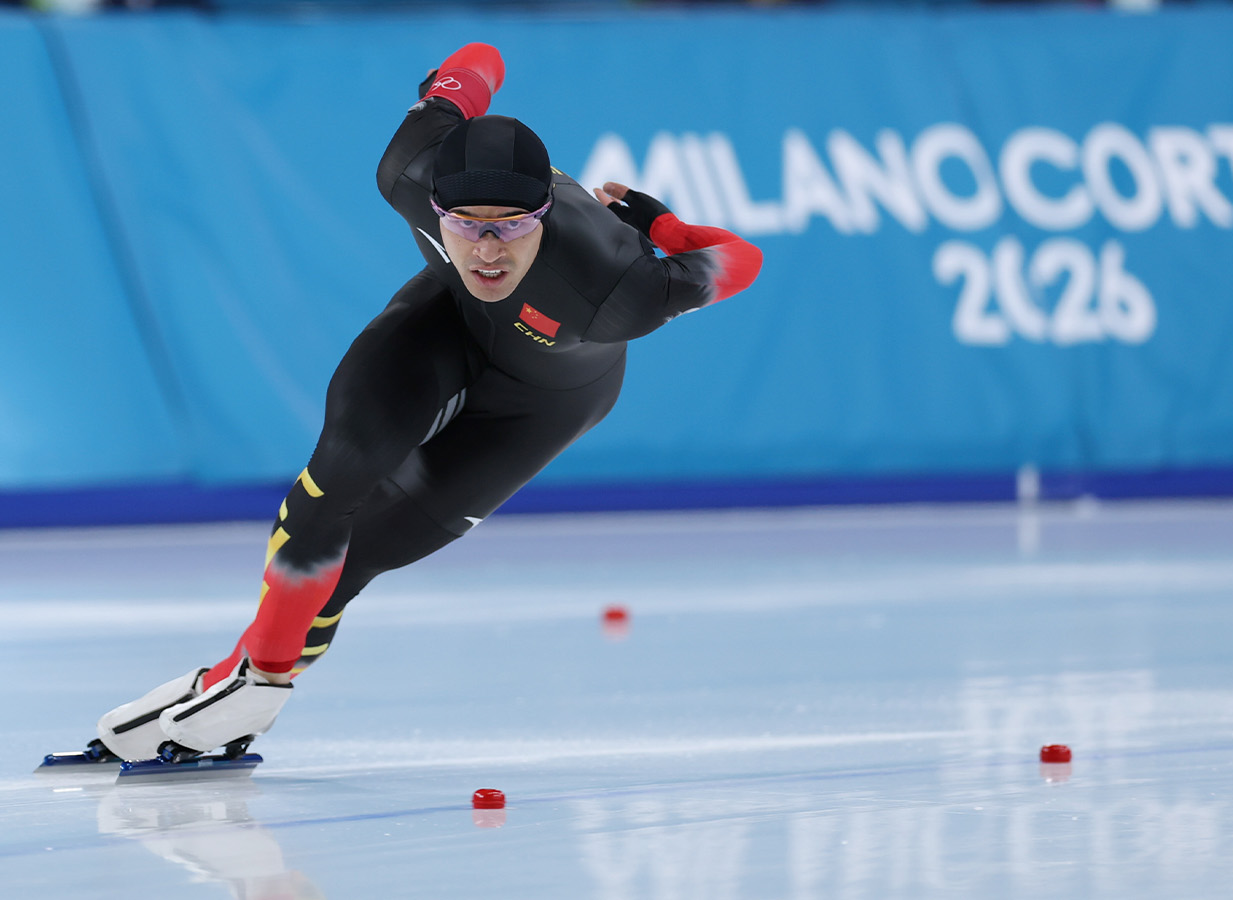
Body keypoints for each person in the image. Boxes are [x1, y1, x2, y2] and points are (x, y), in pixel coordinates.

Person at [90, 43, 763, 762]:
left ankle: (240, 682)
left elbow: (742, 258)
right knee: (339, 476)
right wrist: (464, 80)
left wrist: (659, 229)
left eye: (512, 227)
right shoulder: (408, 167)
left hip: (544, 402)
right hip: (447, 325)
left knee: (364, 553)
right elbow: (481, 57)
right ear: (433, 204)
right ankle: (251, 682)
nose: (488, 252)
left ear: (545, 216)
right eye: (467, 225)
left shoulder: (619, 290)